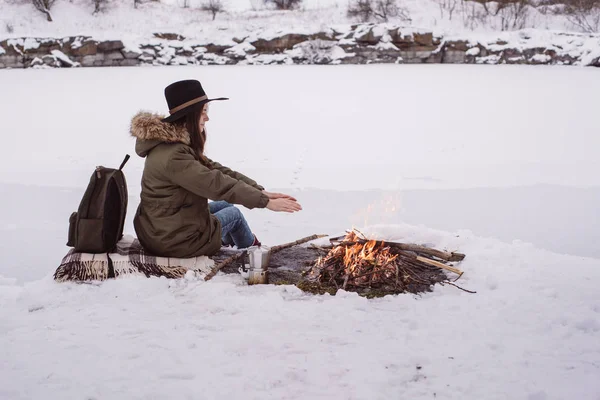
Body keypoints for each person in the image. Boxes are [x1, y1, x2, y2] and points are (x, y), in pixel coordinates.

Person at [129, 79, 302, 258]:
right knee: (233, 214)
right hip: (173, 241)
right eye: (203, 112)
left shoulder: (171, 146)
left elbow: (215, 170)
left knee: (224, 205)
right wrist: (265, 202)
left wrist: (261, 192)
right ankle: (253, 254)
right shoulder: (174, 156)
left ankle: (229, 244)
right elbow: (215, 183)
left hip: (161, 229)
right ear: (190, 114)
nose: (207, 118)